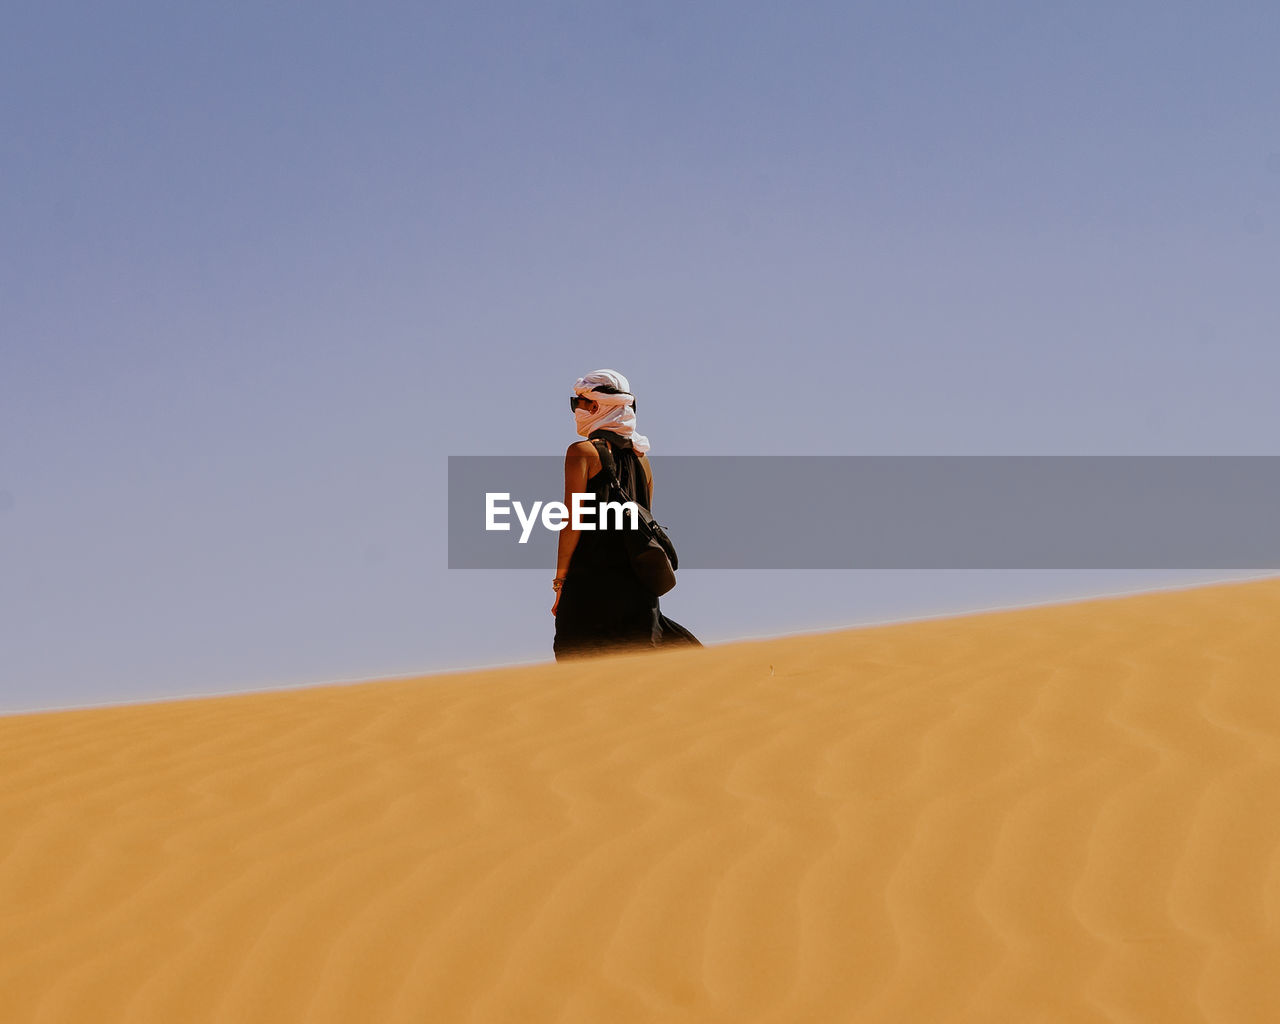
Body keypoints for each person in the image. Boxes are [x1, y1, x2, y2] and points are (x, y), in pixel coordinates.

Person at [552, 369, 700, 660]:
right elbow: (644, 521)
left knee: (575, 665)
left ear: (596, 407)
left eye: (578, 403)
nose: (576, 411)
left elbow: (572, 522)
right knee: (641, 667)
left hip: (591, 582)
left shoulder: (581, 453)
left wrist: (560, 583)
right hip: (637, 585)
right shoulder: (642, 462)